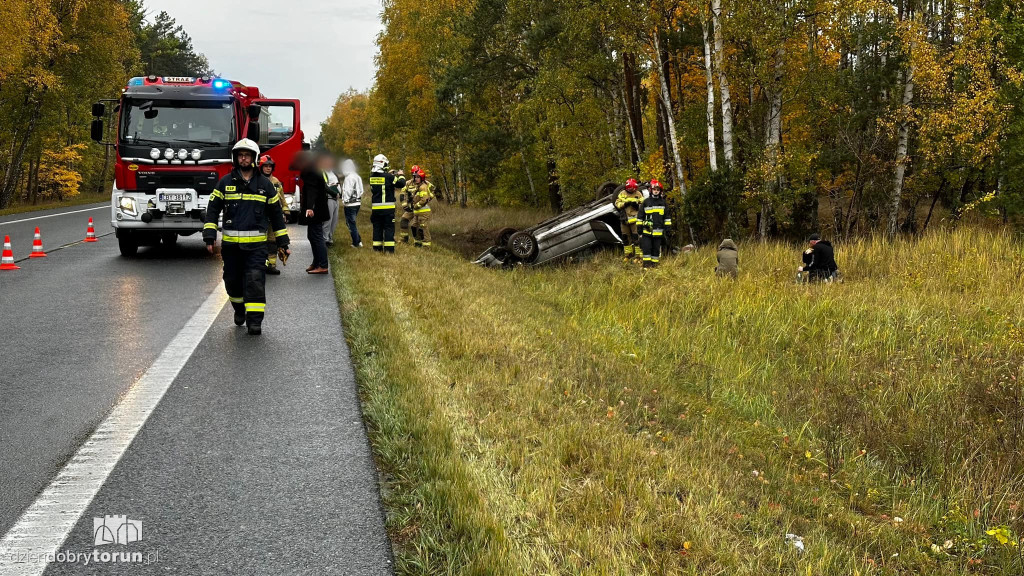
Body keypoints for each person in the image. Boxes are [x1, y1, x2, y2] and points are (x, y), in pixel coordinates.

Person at [203, 139, 290, 335]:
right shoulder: (225, 182)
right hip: (231, 248)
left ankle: (255, 322)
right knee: (232, 282)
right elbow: (213, 209)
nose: (244, 158)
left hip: (257, 249)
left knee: (255, 281)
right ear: (236, 158)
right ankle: (239, 310)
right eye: (240, 155)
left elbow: (276, 215)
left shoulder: (265, 186)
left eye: (247, 155)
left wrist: (283, 243)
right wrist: (209, 235)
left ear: (254, 158)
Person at [296, 151, 330, 274]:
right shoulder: (313, 169)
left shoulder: (310, 171)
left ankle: (322, 265)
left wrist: (310, 208)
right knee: (312, 236)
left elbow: (312, 190)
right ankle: (316, 263)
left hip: (315, 210)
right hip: (317, 209)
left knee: (316, 237)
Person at [259, 154, 290, 275]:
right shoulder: (256, 180)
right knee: (260, 240)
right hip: (260, 216)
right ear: (261, 167)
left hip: (273, 216)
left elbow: (281, 197)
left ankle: (271, 265)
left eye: (270, 166)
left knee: (272, 241)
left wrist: (286, 211)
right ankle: (260, 263)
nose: (268, 168)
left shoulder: (276, 181)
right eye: (265, 166)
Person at [368, 154, 405, 253]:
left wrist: (389, 174)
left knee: (377, 228)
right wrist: (401, 175)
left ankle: (377, 249)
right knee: (389, 229)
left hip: (376, 209)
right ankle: (389, 251)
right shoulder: (389, 177)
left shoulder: (372, 177)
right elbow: (401, 184)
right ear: (382, 164)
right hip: (387, 209)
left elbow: (382, 180)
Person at [639, 179, 671, 268]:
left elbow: (667, 217)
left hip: (658, 231)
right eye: (654, 189)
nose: (656, 191)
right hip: (647, 231)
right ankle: (646, 266)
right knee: (647, 248)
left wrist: (668, 229)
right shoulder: (646, 202)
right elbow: (640, 216)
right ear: (651, 190)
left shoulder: (663, 203)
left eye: (658, 190)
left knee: (656, 250)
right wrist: (639, 228)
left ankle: (654, 266)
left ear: (660, 191)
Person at [614, 178, 644, 262]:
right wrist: (624, 204)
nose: (631, 189)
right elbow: (617, 203)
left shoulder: (638, 193)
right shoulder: (622, 193)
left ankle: (638, 257)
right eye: (630, 188)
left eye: (633, 188)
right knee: (626, 238)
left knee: (636, 238)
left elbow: (642, 202)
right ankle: (628, 255)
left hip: (635, 219)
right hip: (624, 219)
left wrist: (637, 205)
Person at [340, 159, 364, 247]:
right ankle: (358, 240)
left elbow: (348, 191)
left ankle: (356, 242)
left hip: (350, 204)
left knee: (350, 223)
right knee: (352, 222)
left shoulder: (349, 178)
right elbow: (361, 190)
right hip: (357, 203)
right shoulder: (357, 176)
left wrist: (345, 200)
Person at [409, 167, 435, 247]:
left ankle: (426, 245)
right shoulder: (418, 186)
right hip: (417, 212)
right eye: (415, 177)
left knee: (424, 228)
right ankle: (418, 243)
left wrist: (415, 206)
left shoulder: (423, 187)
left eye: (417, 177)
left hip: (423, 212)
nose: (415, 179)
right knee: (414, 226)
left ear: (421, 178)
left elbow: (423, 200)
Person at [399, 165, 421, 244]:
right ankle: (404, 240)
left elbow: (431, 192)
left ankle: (418, 242)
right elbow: (402, 194)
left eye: (416, 174)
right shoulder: (408, 183)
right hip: (410, 208)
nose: (415, 177)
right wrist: (405, 205)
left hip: (420, 208)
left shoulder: (424, 183)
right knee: (403, 221)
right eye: (413, 174)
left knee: (416, 226)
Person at [323, 161, 341, 245]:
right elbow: (324, 186)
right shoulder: (323, 173)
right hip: (329, 198)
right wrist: (334, 192)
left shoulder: (334, 172)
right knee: (328, 220)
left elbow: (339, 183)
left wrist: (340, 193)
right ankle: (325, 239)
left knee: (334, 220)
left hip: (336, 198)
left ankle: (330, 238)